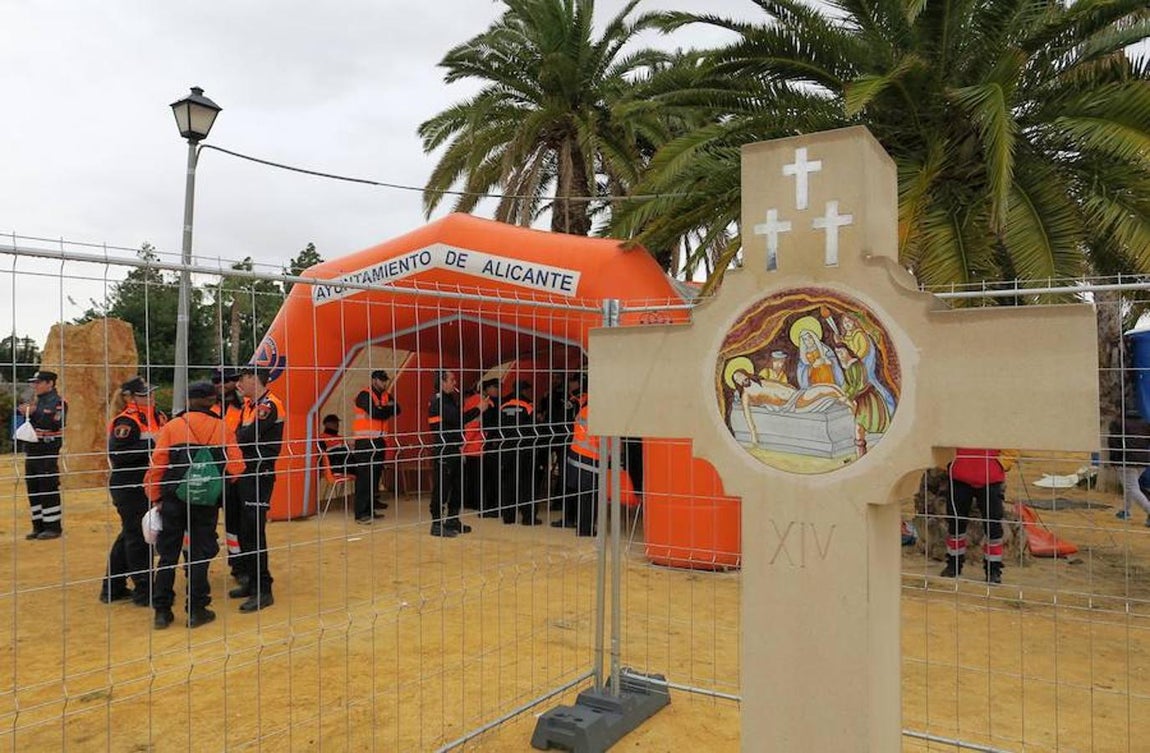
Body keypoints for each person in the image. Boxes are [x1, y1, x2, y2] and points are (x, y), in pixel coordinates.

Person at [144, 381, 244, 629]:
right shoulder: (222, 428)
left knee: (167, 556)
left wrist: (156, 496)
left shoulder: (172, 427)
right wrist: (215, 482)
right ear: (212, 401)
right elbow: (237, 467)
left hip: (173, 499)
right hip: (206, 502)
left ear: (188, 400)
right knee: (199, 555)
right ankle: (197, 610)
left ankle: (162, 611)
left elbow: (157, 466)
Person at [102, 377, 167, 605]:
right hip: (129, 485)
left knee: (130, 534)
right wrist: (154, 443)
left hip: (147, 483)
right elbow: (118, 454)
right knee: (138, 537)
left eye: (151, 393)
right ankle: (143, 590)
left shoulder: (158, 416)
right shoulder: (126, 421)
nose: (151, 397)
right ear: (130, 398)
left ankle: (113, 586)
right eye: (144, 394)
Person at [229, 366, 284, 612]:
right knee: (244, 530)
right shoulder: (250, 406)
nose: (240, 384)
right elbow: (240, 433)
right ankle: (252, 581)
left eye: (243, 379)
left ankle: (264, 589)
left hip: (259, 473)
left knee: (254, 531)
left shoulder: (269, 405)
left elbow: (246, 436)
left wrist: (239, 437)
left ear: (254, 379)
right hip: (246, 472)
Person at [428, 370, 489, 537]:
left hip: (455, 448)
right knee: (442, 488)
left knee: (458, 486)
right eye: (452, 380)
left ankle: (453, 519)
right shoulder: (438, 401)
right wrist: (478, 409)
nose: (455, 383)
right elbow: (457, 418)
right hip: (444, 450)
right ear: (442, 382)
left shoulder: (450, 400)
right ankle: (436, 523)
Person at [941, 448, 1017, 583]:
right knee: (955, 524)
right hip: (959, 477)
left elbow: (1011, 439)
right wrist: (950, 463)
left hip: (991, 479)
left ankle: (993, 571)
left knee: (993, 526)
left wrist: (1001, 464)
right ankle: (953, 566)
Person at [18, 370, 67, 540]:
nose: (35, 386)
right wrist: (24, 412)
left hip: (47, 453)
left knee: (48, 489)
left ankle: (53, 527)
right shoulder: (37, 402)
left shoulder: (58, 402)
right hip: (32, 452)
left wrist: (33, 413)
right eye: (34, 382)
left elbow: (54, 423)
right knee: (34, 489)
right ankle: (38, 526)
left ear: (50, 383)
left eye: (38, 382)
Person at [351, 370, 399, 524]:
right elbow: (375, 414)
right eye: (381, 380)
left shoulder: (385, 395)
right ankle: (360, 513)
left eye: (385, 380)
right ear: (374, 380)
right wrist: (385, 410)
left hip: (379, 441)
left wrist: (381, 410)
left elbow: (398, 409)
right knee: (365, 477)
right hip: (365, 441)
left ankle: (370, 509)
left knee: (375, 477)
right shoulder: (364, 395)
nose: (384, 383)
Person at [211, 368, 245, 585]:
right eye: (217, 381)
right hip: (208, 475)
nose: (222, 385)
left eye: (228, 380)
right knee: (202, 524)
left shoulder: (243, 409)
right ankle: (195, 566)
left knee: (235, 525)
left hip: (232, 477)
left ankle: (238, 566)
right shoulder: (204, 407)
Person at [500, 380, 542, 525]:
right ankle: (528, 517)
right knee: (527, 483)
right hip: (525, 449)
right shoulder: (528, 407)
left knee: (508, 483)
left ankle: (508, 516)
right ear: (524, 391)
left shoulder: (503, 406)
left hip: (507, 448)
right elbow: (534, 429)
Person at [560, 389, 597, 536]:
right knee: (589, 496)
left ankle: (576, 524)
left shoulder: (584, 410)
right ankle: (585, 530)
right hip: (591, 458)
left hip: (576, 455)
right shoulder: (598, 412)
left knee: (580, 494)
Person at [1107, 410, 1150, 526]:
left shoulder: (1118, 423)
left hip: (1127, 461)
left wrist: (1114, 461)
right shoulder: (1145, 424)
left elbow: (1114, 443)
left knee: (1132, 488)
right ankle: (1126, 511)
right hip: (1144, 461)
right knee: (1129, 486)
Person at [478, 378, 503, 518]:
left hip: (493, 442)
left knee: (494, 476)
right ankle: (489, 506)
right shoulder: (487, 404)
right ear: (487, 389)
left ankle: (494, 505)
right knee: (490, 477)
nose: (498, 389)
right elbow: (488, 424)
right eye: (495, 387)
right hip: (489, 442)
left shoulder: (499, 402)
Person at [460, 385, 486, 511]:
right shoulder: (480, 400)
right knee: (475, 478)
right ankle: (473, 501)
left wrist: (463, 444)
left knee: (471, 478)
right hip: (477, 446)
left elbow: (472, 426)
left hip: (473, 447)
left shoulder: (473, 402)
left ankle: (471, 501)